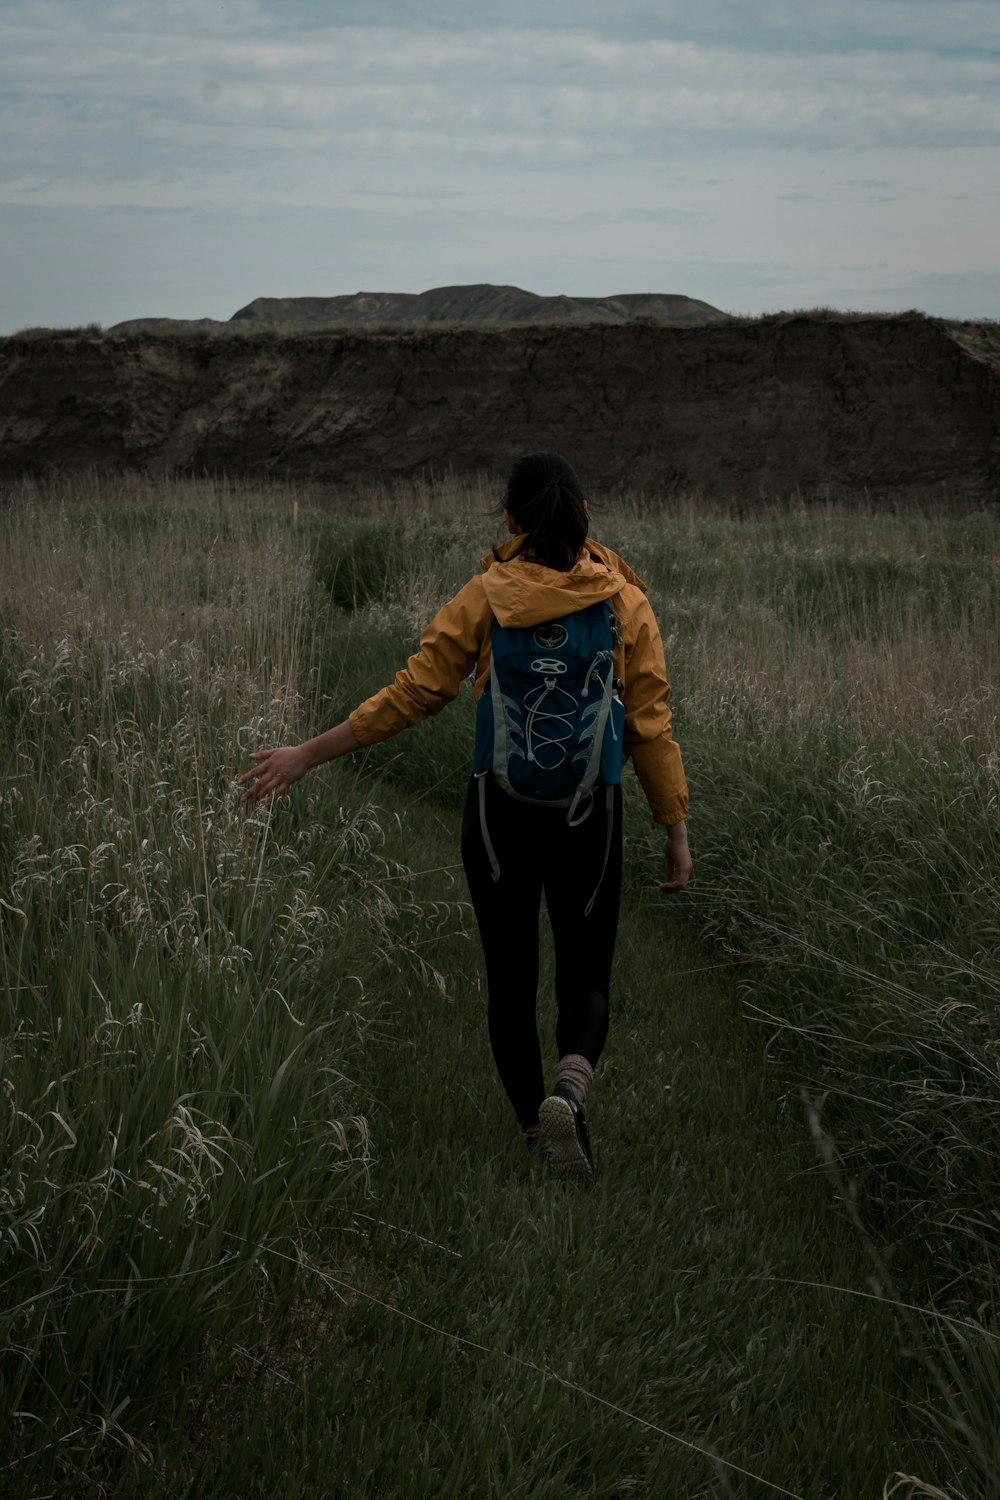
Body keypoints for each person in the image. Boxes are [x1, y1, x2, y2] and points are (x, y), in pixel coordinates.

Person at [239, 452, 691, 1183]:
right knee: (586, 976)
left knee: (509, 979)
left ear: (510, 521)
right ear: (587, 516)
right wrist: (674, 826)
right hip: (591, 818)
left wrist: (308, 753)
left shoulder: (486, 594)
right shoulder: (622, 603)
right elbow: (648, 722)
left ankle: (532, 1129)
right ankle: (569, 1092)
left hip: (497, 816)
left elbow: (415, 692)